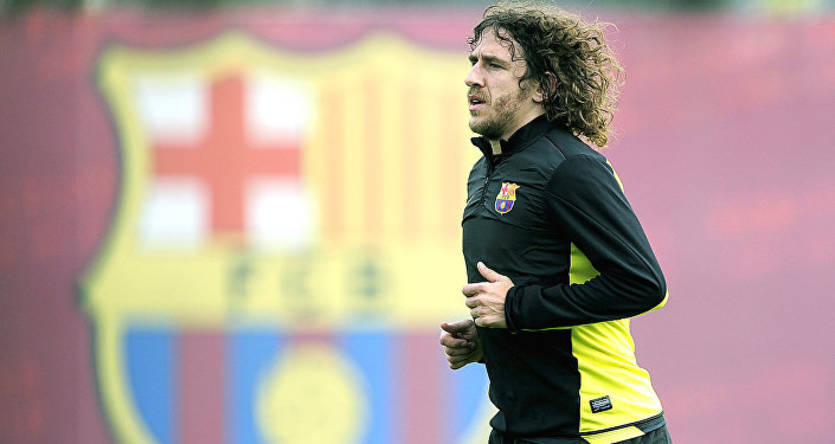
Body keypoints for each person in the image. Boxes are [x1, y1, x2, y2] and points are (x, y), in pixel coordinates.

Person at [439, 3, 672, 443]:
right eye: (474, 61)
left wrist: (516, 308)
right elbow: (538, 286)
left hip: (602, 428)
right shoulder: (485, 170)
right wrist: (488, 340)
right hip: (519, 427)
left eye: (494, 65)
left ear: (543, 87)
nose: (472, 76)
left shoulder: (571, 168)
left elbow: (643, 284)